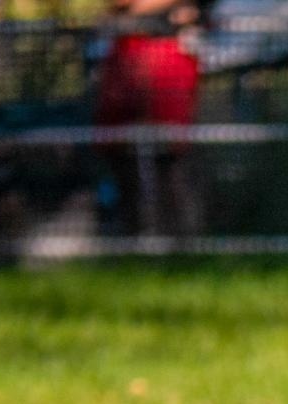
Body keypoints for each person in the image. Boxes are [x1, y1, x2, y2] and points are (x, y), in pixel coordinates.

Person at [95, 0, 202, 236]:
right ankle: (131, 234)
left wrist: (136, 12)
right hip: (128, 54)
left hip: (165, 54)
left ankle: (177, 238)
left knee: (170, 153)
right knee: (120, 151)